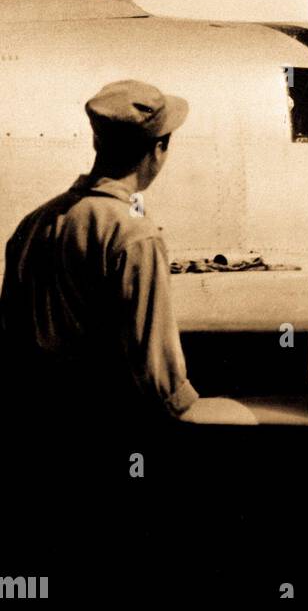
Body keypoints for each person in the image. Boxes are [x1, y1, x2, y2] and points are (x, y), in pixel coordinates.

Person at [0, 80, 255, 433]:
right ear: (160, 148)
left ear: (95, 141)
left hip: (35, 423)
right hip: (107, 428)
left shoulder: (34, 223)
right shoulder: (135, 235)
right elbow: (162, 386)